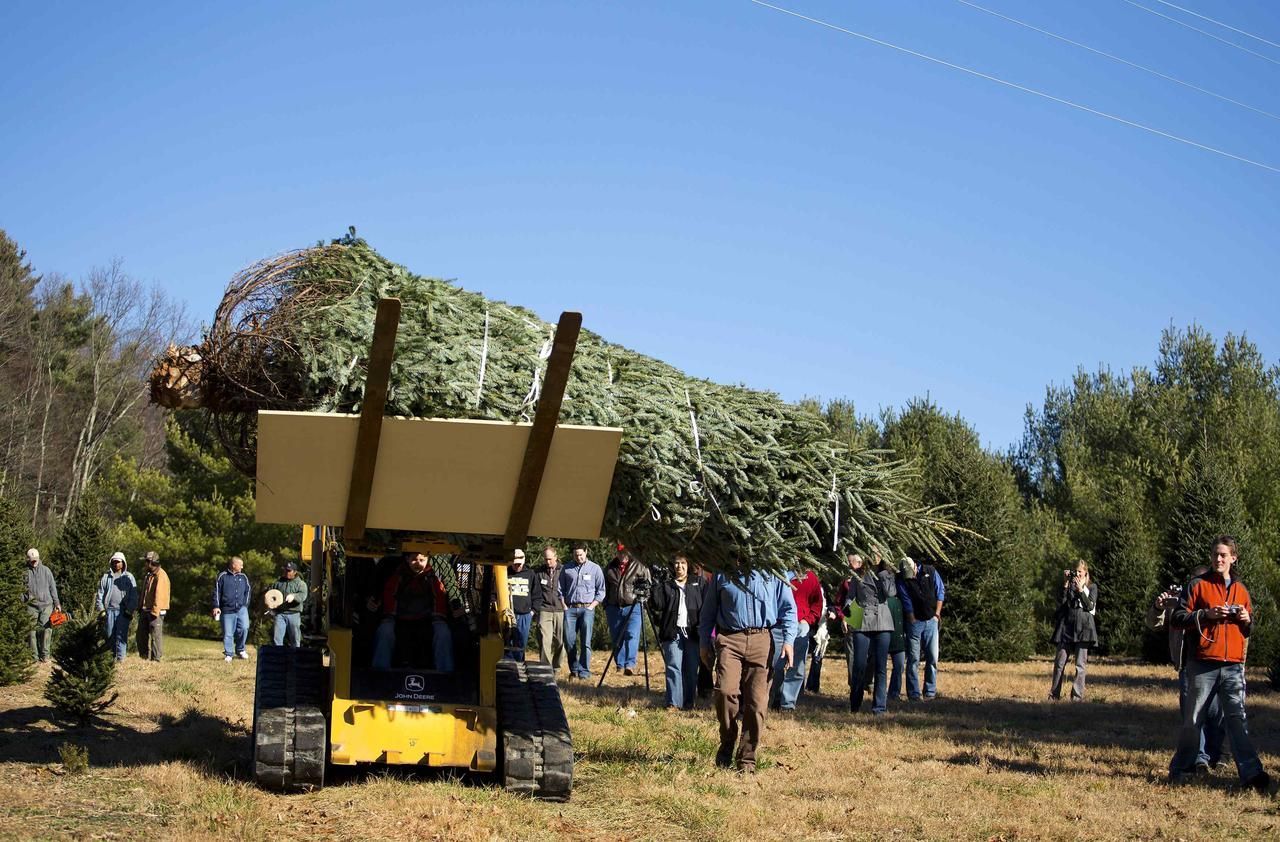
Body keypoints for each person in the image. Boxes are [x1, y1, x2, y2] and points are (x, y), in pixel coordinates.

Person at [1169, 536, 1270, 793]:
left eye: (1224, 555)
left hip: (1233, 665)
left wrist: (1246, 619)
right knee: (1193, 720)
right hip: (1203, 663)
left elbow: (1247, 629)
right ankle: (1182, 768)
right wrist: (1206, 615)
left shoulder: (1241, 590)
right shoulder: (1198, 585)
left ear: (1233, 558)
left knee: (1237, 720)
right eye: (1215, 554)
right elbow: (1178, 618)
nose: (1218, 559)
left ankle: (1251, 773)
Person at [699, 566, 797, 774]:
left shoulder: (773, 572)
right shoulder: (722, 573)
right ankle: (727, 742)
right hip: (729, 639)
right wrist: (703, 644)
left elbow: (789, 608)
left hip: (762, 639)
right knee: (725, 692)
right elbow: (708, 612)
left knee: (757, 703)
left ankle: (747, 758)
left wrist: (789, 641)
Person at [1148, 565, 1225, 774]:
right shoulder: (1180, 602)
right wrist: (1158, 607)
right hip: (1187, 667)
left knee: (1216, 713)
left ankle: (1215, 754)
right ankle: (1199, 757)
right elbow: (1155, 625)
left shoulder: (1216, 602)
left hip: (1213, 664)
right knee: (1192, 715)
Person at [372, 552, 455, 671]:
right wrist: (389, 616)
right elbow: (389, 594)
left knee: (443, 633)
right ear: (406, 559)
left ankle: (446, 673)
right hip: (399, 618)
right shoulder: (397, 573)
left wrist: (439, 617)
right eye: (414, 560)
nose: (418, 564)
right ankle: (379, 672)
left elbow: (440, 596)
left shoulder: (434, 575)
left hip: (428, 618)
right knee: (385, 631)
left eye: (422, 560)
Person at [836, 551, 896, 714]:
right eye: (873, 553)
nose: (876, 556)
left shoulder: (888, 573)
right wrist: (847, 615)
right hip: (862, 620)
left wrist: (882, 572)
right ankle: (855, 704)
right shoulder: (859, 573)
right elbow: (850, 597)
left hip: (882, 621)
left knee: (880, 666)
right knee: (859, 664)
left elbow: (891, 593)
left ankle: (879, 707)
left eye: (879, 553)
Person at [648, 554, 704, 710]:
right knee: (673, 666)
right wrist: (655, 584)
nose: (679, 566)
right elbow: (657, 604)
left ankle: (689, 702)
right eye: (676, 563)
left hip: (693, 632)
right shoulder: (667, 585)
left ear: (688, 564)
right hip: (673, 632)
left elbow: (705, 607)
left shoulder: (698, 583)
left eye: (683, 563)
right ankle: (673, 703)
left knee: (691, 669)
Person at [770, 567, 823, 711]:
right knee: (776, 666)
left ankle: (788, 704)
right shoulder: (778, 574)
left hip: (800, 626)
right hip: (778, 626)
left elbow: (817, 604)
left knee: (797, 667)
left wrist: (808, 620)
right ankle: (775, 698)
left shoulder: (811, 578)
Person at [1048, 560, 1097, 700]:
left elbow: (1090, 606)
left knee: (1080, 665)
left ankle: (1076, 697)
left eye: (1080, 572)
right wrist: (1065, 584)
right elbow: (1061, 604)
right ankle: (1054, 695)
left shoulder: (1092, 587)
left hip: (1084, 628)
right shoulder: (1068, 586)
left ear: (1085, 572)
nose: (1077, 575)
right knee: (1059, 663)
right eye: (1075, 572)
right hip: (1066, 627)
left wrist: (1081, 590)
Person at [899, 556, 946, 699]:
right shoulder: (902, 579)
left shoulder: (930, 571)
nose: (910, 577)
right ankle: (914, 694)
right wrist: (911, 618)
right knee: (913, 659)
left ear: (915, 566)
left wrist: (937, 614)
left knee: (932, 657)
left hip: (931, 620)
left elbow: (940, 591)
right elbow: (905, 599)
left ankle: (930, 691)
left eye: (911, 573)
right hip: (915, 622)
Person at [604, 548, 652, 676]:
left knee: (632, 634)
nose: (622, 555)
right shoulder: (610, 567)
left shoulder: (639, 565)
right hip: (614, 607)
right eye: (620, 553)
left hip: (634, 606)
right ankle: (620, 664)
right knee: (616, 637)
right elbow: (605, 588)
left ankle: (630, 664)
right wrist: (607, 605)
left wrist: (642, 602)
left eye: (625, 552)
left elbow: (648, 586)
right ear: (616, 553)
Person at [561, 545, 605, 679]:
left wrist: (592, 606)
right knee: (569, 641)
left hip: (587, 609)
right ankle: (574, 669)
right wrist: (564, 606)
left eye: (581, 554)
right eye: (576, 555)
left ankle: (584, 672)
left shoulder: (595, 568)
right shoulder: (566, 568)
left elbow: (601, 591)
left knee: (585, 642)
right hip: (570, 609)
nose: (578, 557)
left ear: (586, 552)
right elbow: (560, 589)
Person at [95, 551, 137, 662]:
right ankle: (110, 658)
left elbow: (133, 596)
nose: (116, 564)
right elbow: (100, 594)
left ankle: (121, 659)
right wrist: (101, 610)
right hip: (109, 610)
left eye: (118, 562)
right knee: (109, 635)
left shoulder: (129, 577)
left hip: (123, 611)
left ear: (123, 563)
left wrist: (130, 609)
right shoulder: (106, 577)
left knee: (121, 635)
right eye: (114, 562)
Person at [532, 546, 567, 671]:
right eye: (546, 559)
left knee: (560, 641)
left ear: (556, 557)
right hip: (544, 609)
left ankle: (556, 667)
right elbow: (535, 591)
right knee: (544, 639)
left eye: (550, 559)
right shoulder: (538, 572)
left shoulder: (564, 571)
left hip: (560, 610)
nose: (548, 562)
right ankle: (545, 667)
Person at [23, 548, 61, 663]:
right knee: (31, 631)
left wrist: (57, 603)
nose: (34, 562)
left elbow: (52, 588)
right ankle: (34, 657)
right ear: (28, 560)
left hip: (46, 605)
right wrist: (22, 603)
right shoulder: (24, 573)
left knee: (46, 630)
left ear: (39, 558)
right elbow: (21, 591)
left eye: (36, 559)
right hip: (31, 606)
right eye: (32, 560)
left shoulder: (46, 571)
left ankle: (45, 655)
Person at [212, 556, 252, 662]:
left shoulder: (244, 577)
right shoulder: (222, 576)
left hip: (241, 609)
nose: (242, 567)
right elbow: (216, 592)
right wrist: (216, 606)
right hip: (226, 609)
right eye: (241, 565)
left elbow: (248, 591)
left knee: (244, 628)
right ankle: (229, 654)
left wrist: (245, 604)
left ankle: (240, 649)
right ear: (234, 565)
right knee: (228, 633)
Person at [137, 551, 169, 661]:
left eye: (146, 561)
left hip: (156, 611)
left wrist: (155, 612)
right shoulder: (149, 575)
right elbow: (144, 593)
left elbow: (160, 595)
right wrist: (140, 607)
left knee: (155, 637)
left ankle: (156, 660)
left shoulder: (161, 576)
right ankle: (144, 658)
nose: (145, 564)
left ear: (151, 562)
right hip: (145, 610)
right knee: (141, 636)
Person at [505, 549, 534, 661]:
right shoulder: (505, 573)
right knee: (507, 643)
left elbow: (536, 594)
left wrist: (532, 612)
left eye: (519, 564)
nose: (517, 566)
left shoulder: (530, 574)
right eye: (515, 564)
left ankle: (519, 663)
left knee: (521, 643)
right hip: (507, 614)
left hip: (524, 615)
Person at [271, 561, 309, 647]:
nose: (286, 572)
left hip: (294, 614)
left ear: (295, 572)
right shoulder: (278, 583)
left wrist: (294, 596)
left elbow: (303, 596)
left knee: (295, 639)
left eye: (289, 571)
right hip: (280, 613)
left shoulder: (300, 584)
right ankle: (278, 657)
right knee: (277, 639)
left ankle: (295, 657)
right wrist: (271, 607)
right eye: (285, 570)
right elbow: (272, 594)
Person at [886, 567, 908, 701]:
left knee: (899, 665)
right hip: (884, 634)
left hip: (899, 636)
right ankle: (877, 690)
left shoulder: (902, 599)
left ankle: (894, 693)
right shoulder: (884, 600)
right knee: (879, 665)